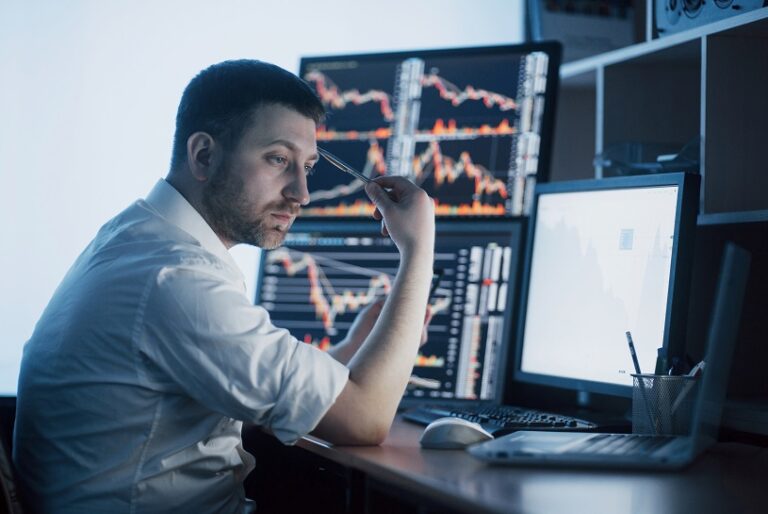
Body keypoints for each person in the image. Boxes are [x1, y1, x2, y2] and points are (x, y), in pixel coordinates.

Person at [13, 59, 435, 513]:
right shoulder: (177, 280)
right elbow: (365, 418)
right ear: (204, 156)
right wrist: (418, 250)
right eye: (277, 159)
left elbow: (282, 393)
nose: (301, 193)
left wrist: (355, 344)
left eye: (307, 167)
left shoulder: (139, 238)